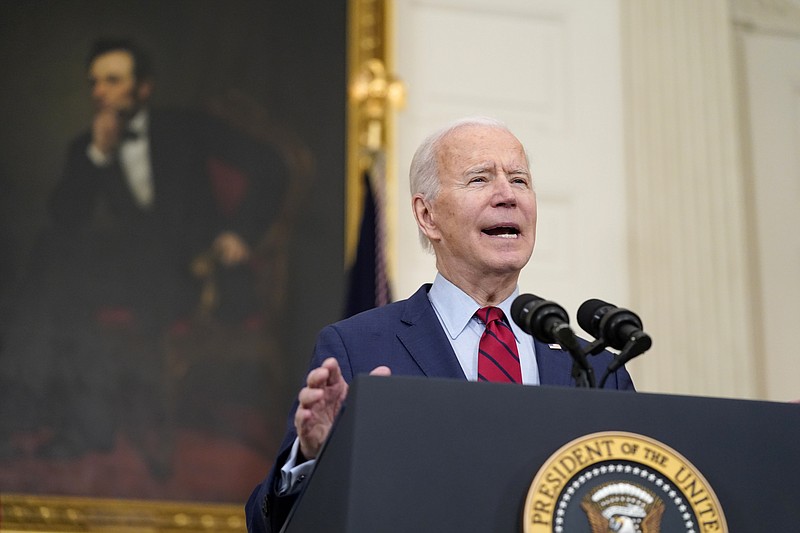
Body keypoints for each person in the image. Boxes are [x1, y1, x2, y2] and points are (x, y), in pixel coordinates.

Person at [244, 117, 635, 532]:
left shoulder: (595, 370)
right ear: (427, 215)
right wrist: (314, 458)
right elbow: (266, 525)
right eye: (480, 179)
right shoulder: (357, 348)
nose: (507, 195)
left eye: (519, 180)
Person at [0, 38, 284, 464]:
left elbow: (269, 164)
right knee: (54, 260)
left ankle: (40, 415)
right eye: (94, 82)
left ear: (143, 88)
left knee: (57, 274)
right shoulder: (88, 145)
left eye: (113, 81)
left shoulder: (185, 126)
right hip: (137, 273)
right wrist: (98, 154)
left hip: (197, 271)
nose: (100, 92)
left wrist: (240, 233)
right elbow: (65, 219)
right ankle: (75, 420)